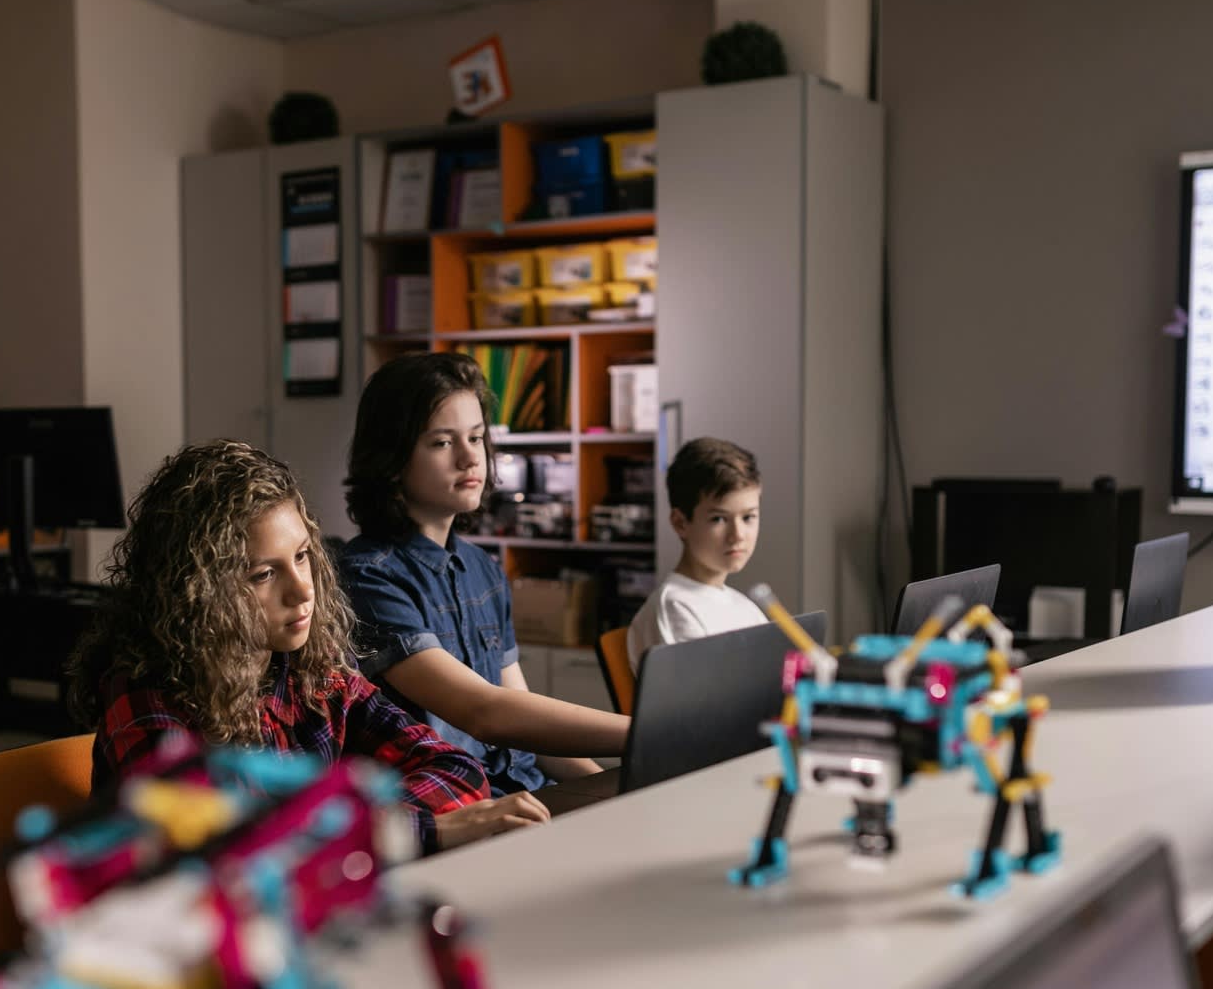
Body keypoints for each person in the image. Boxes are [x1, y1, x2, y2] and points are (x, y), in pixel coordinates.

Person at [67, 440, 550, 852]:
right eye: (263, 573)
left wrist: (347, 834)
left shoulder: (311, 675)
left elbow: (456, 768)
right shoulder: (147, 697)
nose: (303, 591)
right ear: (196, 590)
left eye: (301, 556)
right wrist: (414, 831)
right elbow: (223, 855)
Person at [339, 352, 628, 799]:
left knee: (646, 788)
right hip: (465, 806)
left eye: (476, 437)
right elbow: (485, 713)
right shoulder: (367, 578)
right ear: (392, 459)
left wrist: (615, 778)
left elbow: (527, 726)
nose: (470, 458)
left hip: (525, 788)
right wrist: (646, 730)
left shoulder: (484, 570)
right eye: (441, 442)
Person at [627, 438, 764, 673]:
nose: (738, 535)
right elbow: (706, 707)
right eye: (718, 519)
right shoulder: (675, 608)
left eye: (748, 517)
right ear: (681, 523)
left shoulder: (745, 607)